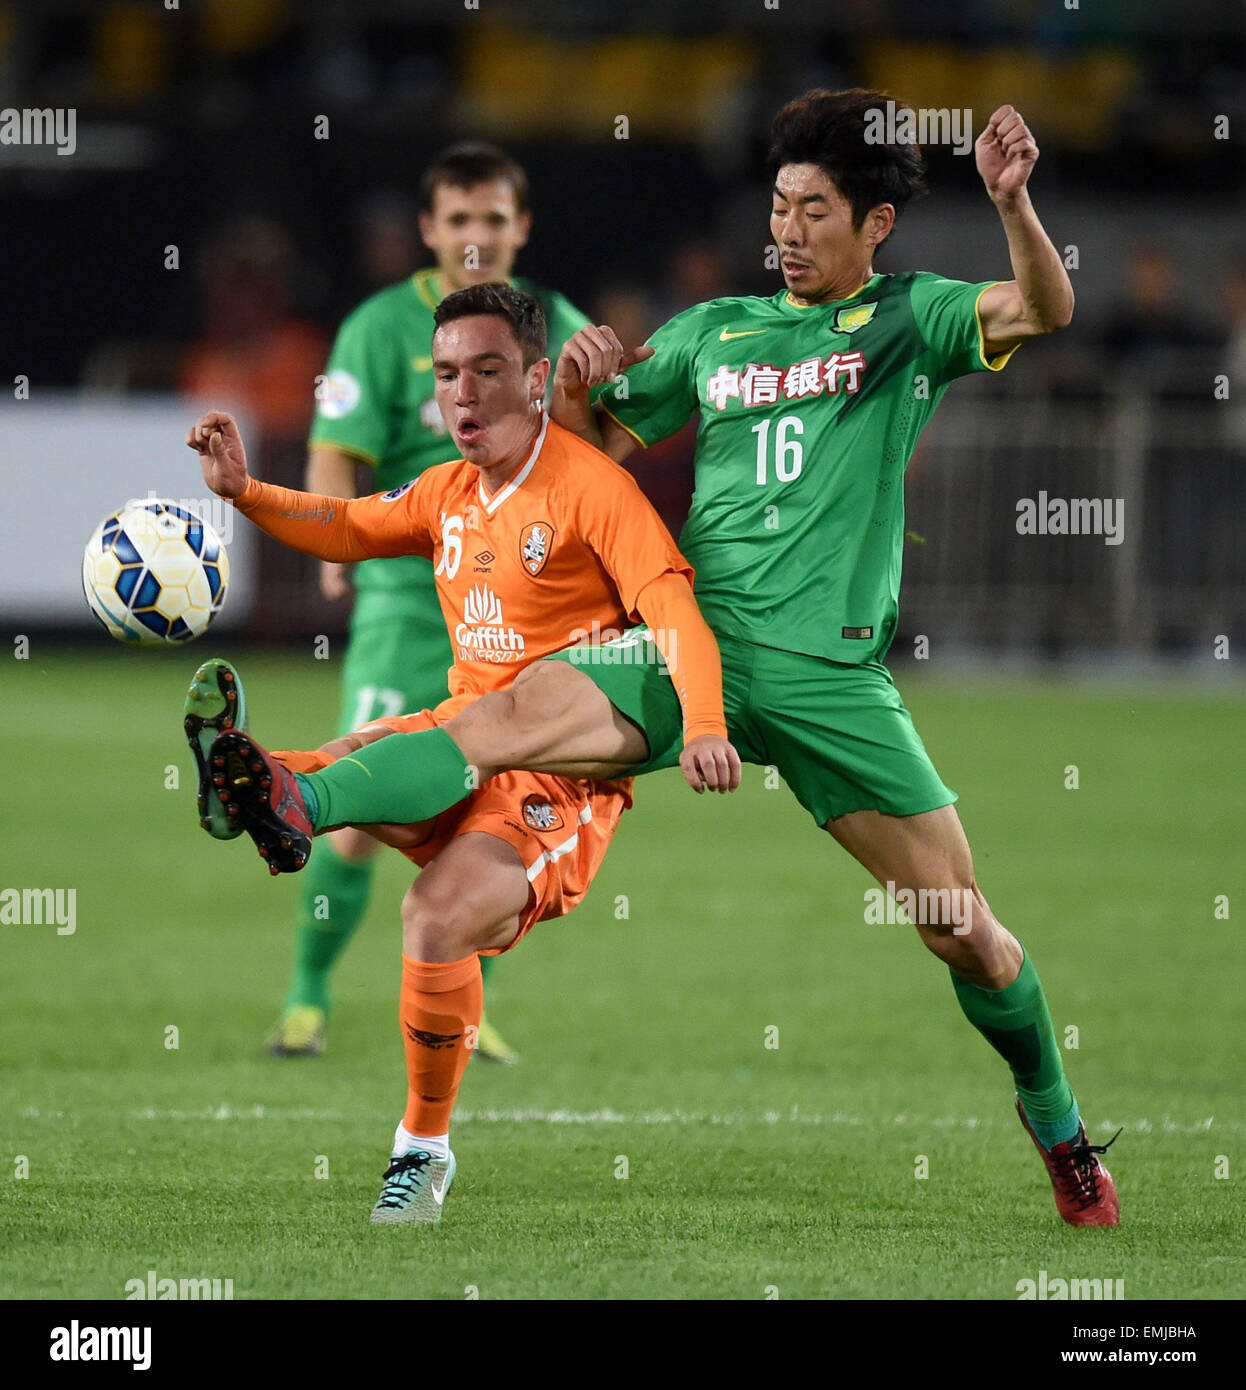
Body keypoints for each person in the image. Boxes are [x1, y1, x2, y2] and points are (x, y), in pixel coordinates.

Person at [200, 90, 1121, 1227]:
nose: (785, 231)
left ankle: (1061, 1127)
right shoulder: (711, 333)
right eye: (778, 207)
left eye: (813, 211)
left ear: (875, 224)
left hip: (831, 683)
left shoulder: (910, 320)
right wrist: (581, 386)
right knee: (509, 710)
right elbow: (576, 472)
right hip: (692, 641)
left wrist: (1012, 200)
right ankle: (295, 792)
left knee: (962, 930)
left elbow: (1045, 304)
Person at [184, 283, 737, 1223]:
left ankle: (420, 1151)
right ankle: (263, 780)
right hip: (458, 741)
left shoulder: (591, 487)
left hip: (559, 783)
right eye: (446, 376)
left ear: (532, 379)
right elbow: (350, 525)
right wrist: (245, 493)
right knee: (365, 747)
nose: (464, 396)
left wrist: (706, 722)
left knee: (433, 915)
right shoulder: (449, 491)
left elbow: (672, 603)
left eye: (486, 372)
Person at [269, 143, 591, 1061]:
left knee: (504, 806)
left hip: (520, 600)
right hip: (409, 598)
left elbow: (597, 437)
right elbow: (337, 443)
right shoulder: (378, 327)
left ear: (521, 227)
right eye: (458, 220)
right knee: (366, 808)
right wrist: (334, 537)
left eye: (493, 219)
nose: (476, 236)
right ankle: (307, 995)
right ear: (428, 231)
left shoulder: (555, 321)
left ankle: (468, 1002)